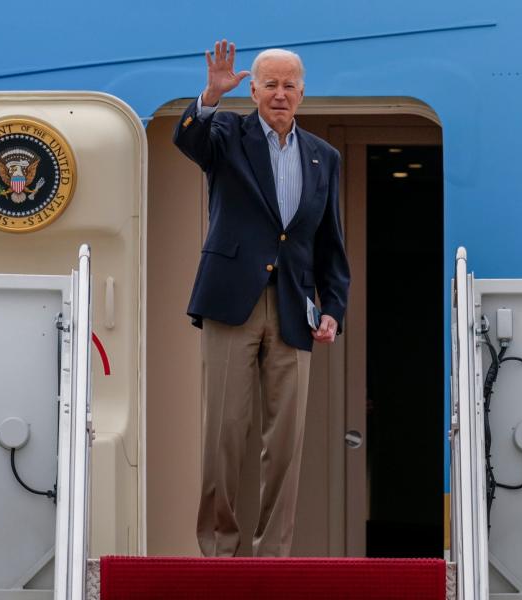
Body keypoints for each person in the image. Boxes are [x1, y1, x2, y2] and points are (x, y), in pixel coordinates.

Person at [173, 39, 350, 557]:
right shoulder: (227, 133)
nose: (279, 93)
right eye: (269, 84)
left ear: (302, 92)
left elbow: (329, 245)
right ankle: (220, 547)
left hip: (296, 308)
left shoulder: (325, 156)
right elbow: (189, 141)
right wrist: (209, 95)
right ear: (252, 89)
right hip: (232, 302)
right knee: (224, 433)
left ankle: (272, 552)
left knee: (287, 442)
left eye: (288, 85)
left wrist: (334, 309)